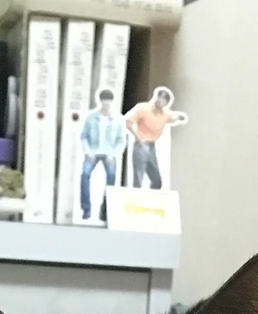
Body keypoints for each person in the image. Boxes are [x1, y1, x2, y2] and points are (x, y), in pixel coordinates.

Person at [123, 85, 188, 191]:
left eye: (164, 100)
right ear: (155, 97)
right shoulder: (143, 108)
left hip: (152, 146)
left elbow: (174, 117)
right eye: (160, 97)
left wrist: (179, 117)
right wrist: (138, 138)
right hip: (141, 145)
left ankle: (150, 198)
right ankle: (135, 199)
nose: (161, 101)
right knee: (138, 179)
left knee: (157, 181)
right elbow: (128, 122)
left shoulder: (165, 113)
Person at [78, 88, 127, 220]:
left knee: (111, 178)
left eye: (108, 101)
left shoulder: (117, 119)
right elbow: (84, 136)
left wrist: (114, 154)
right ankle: (86, 209)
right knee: (85, 175)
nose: (106, 104)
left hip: (109, 153)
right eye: (104, 101)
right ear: (100, 101)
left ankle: (105, 210)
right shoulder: (91, 117)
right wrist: (88, 151)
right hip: (93, 151)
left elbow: (121, 140)